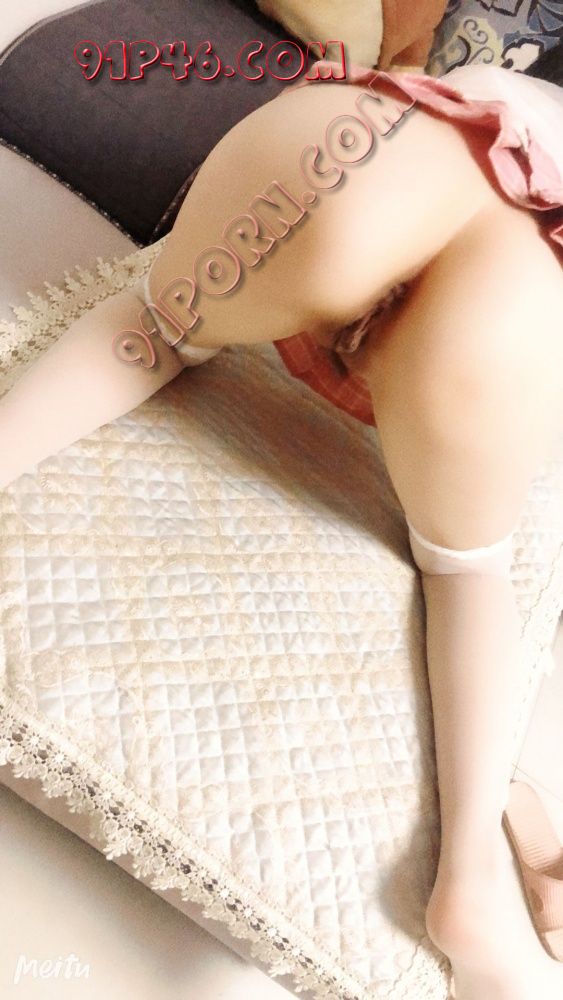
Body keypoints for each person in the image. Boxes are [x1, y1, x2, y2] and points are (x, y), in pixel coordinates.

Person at [1, 57, 562, 999]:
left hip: (379, 148)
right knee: (466, 567)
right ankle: (470, 875)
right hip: (524, 279)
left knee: (155, 326)